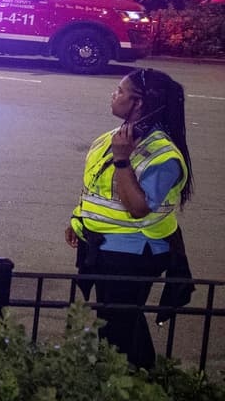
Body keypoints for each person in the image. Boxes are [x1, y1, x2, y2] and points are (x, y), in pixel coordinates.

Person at [67, 69, 193, 369]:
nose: (114, 95)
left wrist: (122, 160)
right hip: (103, 246)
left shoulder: (162, 155)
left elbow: (138, 208)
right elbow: (97, 187)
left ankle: (129, 378)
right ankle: (140, 377)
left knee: (118, 327)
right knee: (118, 320)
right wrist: (78, 219)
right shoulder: (113, 138)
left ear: (139, 102)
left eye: (120, 90)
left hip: (135, 253)